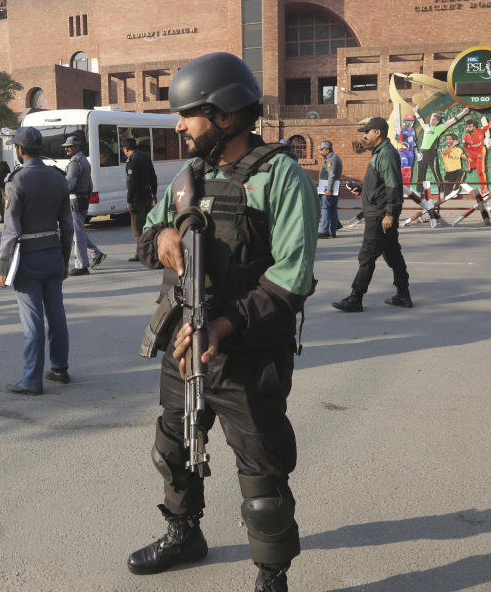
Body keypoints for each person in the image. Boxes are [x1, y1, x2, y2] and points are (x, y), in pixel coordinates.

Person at [128, 52, 318, 592]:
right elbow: (149, 236)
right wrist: (162, 237)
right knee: (173, 447)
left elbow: (291, 279)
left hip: (247, 355)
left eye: (188, 115)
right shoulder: (190, 176)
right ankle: (184, 533)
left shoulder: (280, 177)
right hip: (185, 342)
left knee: (262, 475)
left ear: (226, 115)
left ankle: (271, 573)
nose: (179, 126)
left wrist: (225, 326)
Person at [0, 127, 75, 395]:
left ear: (19, 150)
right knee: (57, 314)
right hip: (53, 253)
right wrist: (65, 259)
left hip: (28, 258)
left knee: (33, 321)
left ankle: (31, 380)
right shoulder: (57, 177)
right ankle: (60, 368)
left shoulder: (16, 180)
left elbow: (11, 229)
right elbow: (68, 226)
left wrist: (2, 269)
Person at [332, 117, 411, 312]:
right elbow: (381, 184)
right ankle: (403, 295)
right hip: (379, 212)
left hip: (380, 215)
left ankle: (355, 298)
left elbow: (393, 185)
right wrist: (361, 189)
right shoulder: (379, 153)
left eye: (367, 132)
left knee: (367, 256)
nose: (364, 136)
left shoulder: (386, 154)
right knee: (393, 254)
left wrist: (390, 213)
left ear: (378, 133)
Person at [63, 135, 106, 275]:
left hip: (74, 200)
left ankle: (81, 265)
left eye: (70, 146)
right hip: (81, 200)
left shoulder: (75, 163)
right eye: (66, 146)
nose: (67, 149)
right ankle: (96, 253)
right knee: (79, 231)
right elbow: (90, 184)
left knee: (77, 233)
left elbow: (69, 185)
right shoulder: (84, 161)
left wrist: (59, 182)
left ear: (77, 147)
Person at [412, 105, 468, 195]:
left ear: (437, 122)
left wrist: (463, 113)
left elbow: (452, 121)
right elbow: (420, 119)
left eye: (434, 119)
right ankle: (419, 191)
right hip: (422, 153)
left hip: (431, 153)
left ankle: (442, 191)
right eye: (431, 118)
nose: (431, 120)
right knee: (420, 173)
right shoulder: (426, 126)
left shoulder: (439, 128)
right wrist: (415, 111)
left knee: (436, 173)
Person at [124, 136, 157, 261]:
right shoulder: (145, 157)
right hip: (147, 195)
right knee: (147, 225)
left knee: (137, 227)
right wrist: (153, 193)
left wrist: (129, 200)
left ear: (126, 148)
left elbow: (131, 183)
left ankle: (142, 253)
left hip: (137, 198)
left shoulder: (132, 161)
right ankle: (150, 250)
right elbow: (153, 177)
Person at [460, 107, 491, 194]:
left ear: (474, 127)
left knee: (480, 171)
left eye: (469, 126)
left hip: (481, 152)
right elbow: (465, 148)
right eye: (467, 126)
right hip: (472, 154)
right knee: (472, 167)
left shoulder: (481, 131)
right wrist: (474, 155)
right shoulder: (465, 136)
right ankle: (472, 166)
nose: (468, 128)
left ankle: (484, 189)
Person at [317, 140, 343, 237]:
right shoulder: (333, 157)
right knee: (332, 209)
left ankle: (324, 231)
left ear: (327, 150)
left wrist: (329, 189)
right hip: (332, 188)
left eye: (321, 150)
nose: (320, 152)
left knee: (325, 208)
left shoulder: (331, 159)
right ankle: (333, 230)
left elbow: (331, 175)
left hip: (328, 188)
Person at [397, 112, 417, 183]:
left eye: (410, 121)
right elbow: (398, 138)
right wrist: (398, 134)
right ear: (404, 122)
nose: (408, 123)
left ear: (412, 122)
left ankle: (407, 185)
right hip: (403, 151)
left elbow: (414, 142)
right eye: (407, 121)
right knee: (404, 164)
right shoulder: (401, 129)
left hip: (411, 152)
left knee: (409, 167)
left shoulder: (413, 130)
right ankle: (401, 183)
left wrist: (417, 151)